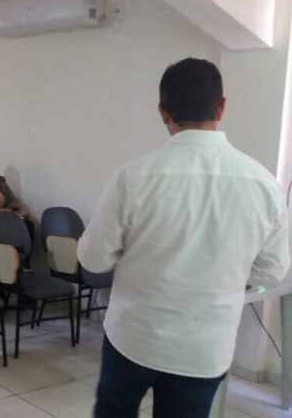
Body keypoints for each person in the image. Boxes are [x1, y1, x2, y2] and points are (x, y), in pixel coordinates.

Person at [78, 58, 291, 418]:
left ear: (163, 112)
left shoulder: (134, 177)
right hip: (204, 348)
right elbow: (272, 271)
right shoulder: (264, 185)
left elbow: (94, 259)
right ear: (221, 107)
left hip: (134, 336)